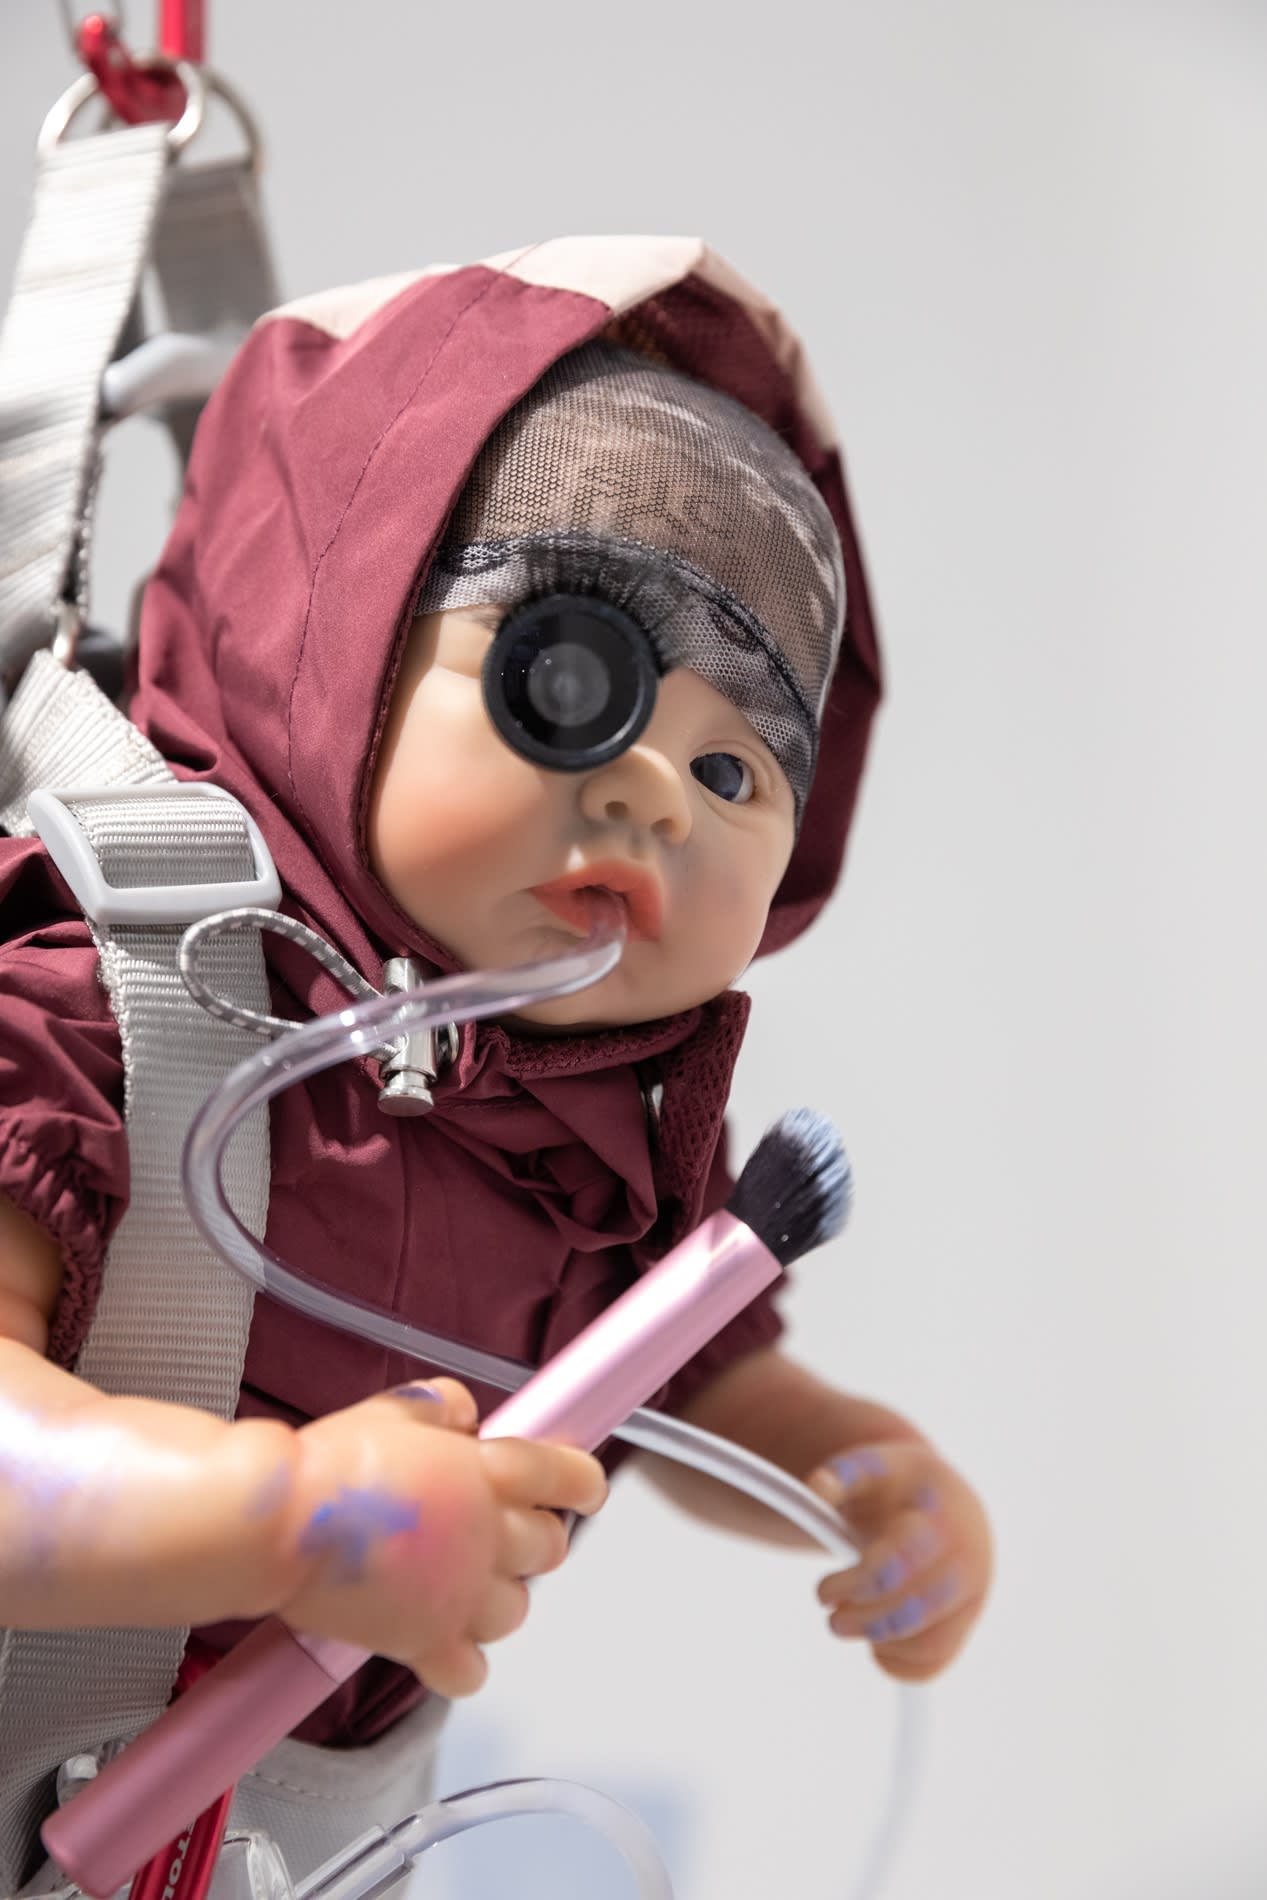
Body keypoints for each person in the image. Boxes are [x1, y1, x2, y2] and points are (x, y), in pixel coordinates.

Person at [0, 237, 991, 1883]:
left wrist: (859, 1478)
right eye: (570, 680)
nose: (658, 796)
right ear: (340, 655)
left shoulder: (612, 1143)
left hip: (287, 1843)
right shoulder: (119, 1005)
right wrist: (280, 1516)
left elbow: (696, 1383)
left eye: (741, 769)